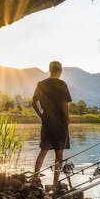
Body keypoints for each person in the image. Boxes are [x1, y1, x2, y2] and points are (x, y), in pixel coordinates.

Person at [32, 61, 72, 192]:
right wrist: (67, 119)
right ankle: (55, 183)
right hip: (60, 124)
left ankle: (35, 179)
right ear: (60, 71)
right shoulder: (62, 84)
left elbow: (33, 103)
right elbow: (64, 104)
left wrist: (41, 116)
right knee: (59, 154)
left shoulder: (41, 84)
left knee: (43, 151)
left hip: (47, 122)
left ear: (50, 70)